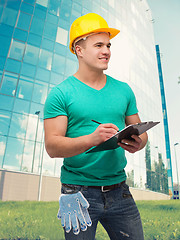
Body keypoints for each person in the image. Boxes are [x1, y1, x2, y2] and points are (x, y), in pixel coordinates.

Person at [44, 13, 148, 240]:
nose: (107, 51)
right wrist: (93, 139)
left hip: (119, 191)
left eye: (108, 45)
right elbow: (52, 146)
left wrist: (138, 142)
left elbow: (140, 131)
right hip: (77, 193)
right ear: (79, 50)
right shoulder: (61, 93)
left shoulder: (123, 90)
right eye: (99, 45)